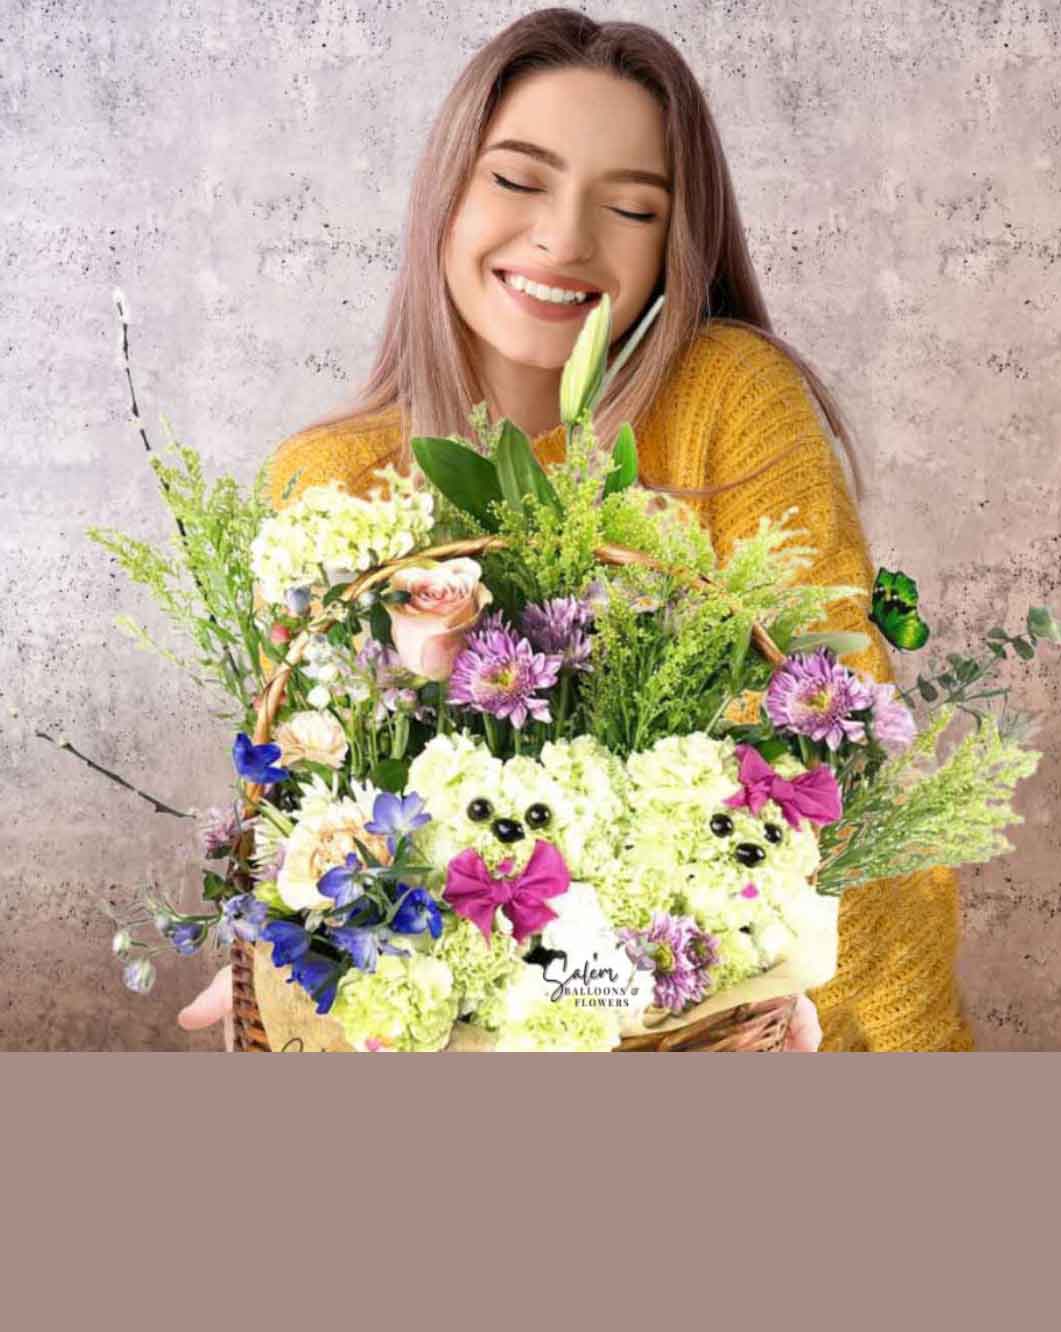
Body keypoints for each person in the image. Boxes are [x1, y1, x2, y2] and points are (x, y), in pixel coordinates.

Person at [181, 8, 974, 1052]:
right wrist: (290, 946)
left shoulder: (727, 398)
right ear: (445, 197)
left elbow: (837, 737)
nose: (563, 238)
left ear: (674, 246)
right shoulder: (332, 482)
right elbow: (298, 808)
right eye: (516, 180)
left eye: (633, 208)